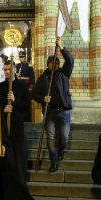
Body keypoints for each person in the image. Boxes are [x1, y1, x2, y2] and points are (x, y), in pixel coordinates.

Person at [32, 36, 74, 172]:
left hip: (63, 111)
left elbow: (70, 60)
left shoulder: (64, 74)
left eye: (56, 63)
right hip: (50, 112)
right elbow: (34, 94)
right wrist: (43, 98)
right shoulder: (43, 78)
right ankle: (53, 161)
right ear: (48, 64)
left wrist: (61, 47)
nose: (54, 65)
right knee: (50, 137)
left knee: (64, 138)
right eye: (51, 63)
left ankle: (60, 151)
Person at [0, 60, 31, 187]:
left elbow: (27, 108)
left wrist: (15, 101)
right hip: (3, 126)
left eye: (10, 69)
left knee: (18, 154)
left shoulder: (22, 86)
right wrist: (3, 109)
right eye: (5, 70)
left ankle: (19, 181)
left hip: (17, 126)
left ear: (14, 69)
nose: (7, 72)